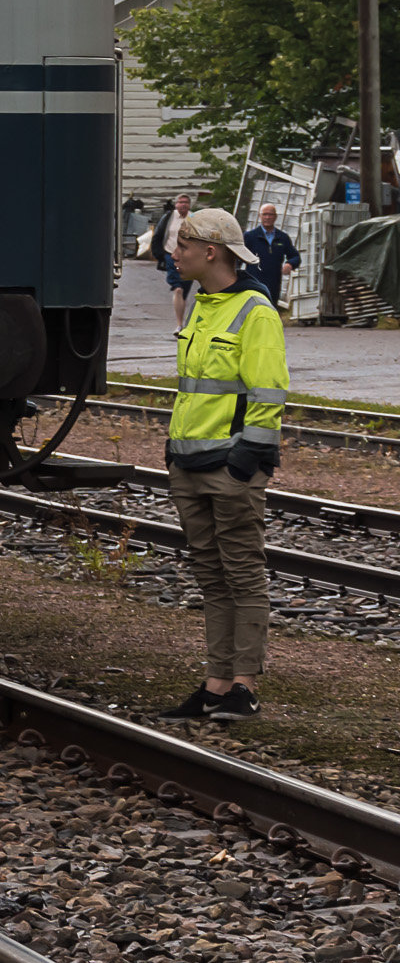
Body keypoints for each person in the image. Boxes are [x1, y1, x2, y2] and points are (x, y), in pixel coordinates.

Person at [158, 206, 289, 722]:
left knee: (242, 575)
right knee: (212, 579)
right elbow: (195, 390)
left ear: (210, 252)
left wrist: (244, 461)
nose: (174, 253)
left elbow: (268, 393)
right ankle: (216, 686)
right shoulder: (201, 304)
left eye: (183, 246)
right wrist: (174, 451)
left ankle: (244, 686)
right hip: (189, 465)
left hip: (229, 468)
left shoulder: (255, 311)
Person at [245, 203, 299, 307]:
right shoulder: (250, 237)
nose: (267, 217)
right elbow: (236, 259)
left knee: (270, 311)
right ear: (260, 216)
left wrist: (290, 264)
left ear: (275, 217)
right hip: (253, 284)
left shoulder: (282, 238)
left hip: (273, 285)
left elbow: (295, 256)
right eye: (264, 214)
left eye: (270, 214)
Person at [155, 193, 195, 330]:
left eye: (186, 202)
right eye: (180, 202)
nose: (183, 204)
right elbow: (158, 235)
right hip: (171, 256)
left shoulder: (194, 218)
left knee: (185, 289)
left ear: (189, 205)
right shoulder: (169, 217)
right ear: (176, 204)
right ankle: (179, 324)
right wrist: (160, 255)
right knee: (178, 288)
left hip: (188, 258)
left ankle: (183, 321)